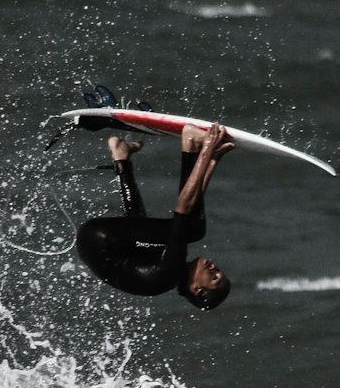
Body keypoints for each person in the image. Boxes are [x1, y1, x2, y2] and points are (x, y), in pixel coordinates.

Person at [75, 123, 234, 310]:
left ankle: (190, 142)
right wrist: (213, 160)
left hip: (101, 239)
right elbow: (183, 210)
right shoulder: (163, 277)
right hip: (91, 241)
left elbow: (184, 206)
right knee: (149, 226)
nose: (215, 268)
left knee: (194, 229)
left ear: (196, 289)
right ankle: (121, 156)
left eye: (214, 277)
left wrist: (207, 150)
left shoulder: (171, 270)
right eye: (219, 271)